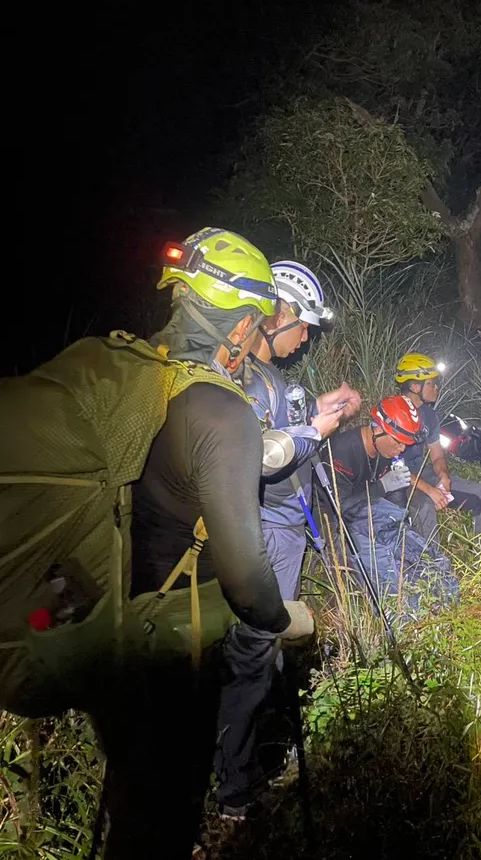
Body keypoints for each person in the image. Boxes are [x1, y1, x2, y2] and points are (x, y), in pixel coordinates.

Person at [99, 228, 315, 858]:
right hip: (174, 631)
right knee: (164, 807)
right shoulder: (223, 412)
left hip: (112, 607)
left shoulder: (134, 374)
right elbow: (247, 579)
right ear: (244, 323)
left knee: (131, 788)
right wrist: (285, 620)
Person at [214, 259, 361, 819]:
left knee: (265, 649)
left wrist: (319, 409)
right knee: (253, 651)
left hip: (284, 529)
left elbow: (277, 429)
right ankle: (236, 788)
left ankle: (245, 756)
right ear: (277, 314)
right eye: (303, 327)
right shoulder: (243, 375)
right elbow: (259, 456)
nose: (304, 341)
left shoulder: (267, 378)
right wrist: (315, 429)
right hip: (267, 531)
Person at [319, 395, 458, 617]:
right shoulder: (341, 451)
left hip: (371, 513)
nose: (401, 449)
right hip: (334, 520)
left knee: (420, 554)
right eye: (397, 441)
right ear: (377, 429)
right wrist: (382, 486)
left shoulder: (385, 450)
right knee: (383, 568)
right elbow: (339, 506)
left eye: (406, 443)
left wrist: (402, 523)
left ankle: (433, 603)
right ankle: (396, 614)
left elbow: (396, 498)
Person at [392, 353, 481, 548]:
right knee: (424, 507)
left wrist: (443, 476)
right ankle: (432, 572)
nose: (436, 387)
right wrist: (428, 490)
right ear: (415, 387)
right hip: (396, 480)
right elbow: (391, 466)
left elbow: (437, 454)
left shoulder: (429, 414)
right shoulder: (392, 413)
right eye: (431, 383)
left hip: (423, 474)